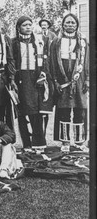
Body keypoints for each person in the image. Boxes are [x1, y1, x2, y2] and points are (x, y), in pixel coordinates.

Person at [11, 16, 52, 153]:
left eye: (30, 24)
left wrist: (43, 75)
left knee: (37, 112)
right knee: (22, 112)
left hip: (36, 79)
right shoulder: (13, 43)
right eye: (24, 25)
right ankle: (27, 144)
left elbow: (46, 60)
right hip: (20, 79)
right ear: (18, 28)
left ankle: (39, 143)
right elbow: (11, 62)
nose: (28, 27)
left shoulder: (40, 41)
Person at [49, 13, 89, 152]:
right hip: (62, 80)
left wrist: (88, 80)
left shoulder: (83, 41)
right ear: (63, 24)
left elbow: (88, 62)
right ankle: (65, 141)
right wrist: (55, 81)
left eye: (73, 23)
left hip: (80, 80)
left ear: (77, 25)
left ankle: (79, 141)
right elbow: (52, 63)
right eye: (67, 23)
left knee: (80, 111)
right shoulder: (56, 42)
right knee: (63, 111)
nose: (70, 25)